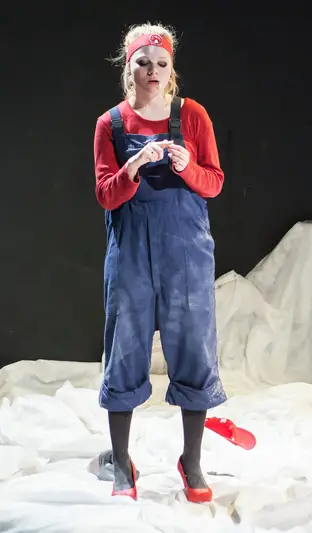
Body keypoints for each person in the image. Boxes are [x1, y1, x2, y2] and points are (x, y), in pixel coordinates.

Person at [92, 23, 227, 502]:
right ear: (128, 67)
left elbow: (214, 182)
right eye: (143, 63)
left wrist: (186, 166)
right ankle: (121, 462)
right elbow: (106, 195)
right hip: (131, 253)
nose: (153, 71)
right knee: (125, 351)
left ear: (172, 70)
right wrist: (132, 167)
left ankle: (191, 461)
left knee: (193, 349)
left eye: (161, 64)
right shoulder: (110, 124)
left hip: (185, 251)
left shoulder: (192, 116)